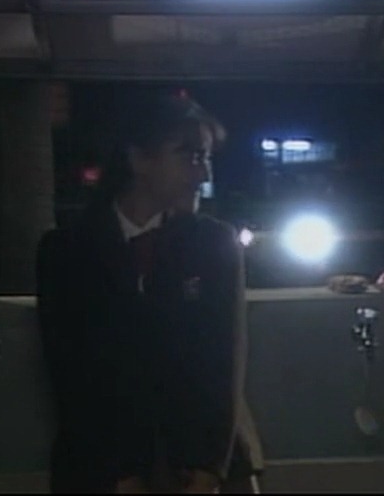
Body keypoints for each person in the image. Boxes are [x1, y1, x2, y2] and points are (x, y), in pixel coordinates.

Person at [36, 90, 262, 493]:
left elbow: (225, 358)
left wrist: (208, 465)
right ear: (139, 159)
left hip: (201, 464)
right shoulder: (67, 251)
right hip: (99, 466)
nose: (203, 175)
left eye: (206, 158)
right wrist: (117, 472)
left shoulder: (213, 244)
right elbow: (69, 371)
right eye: (190, 156)